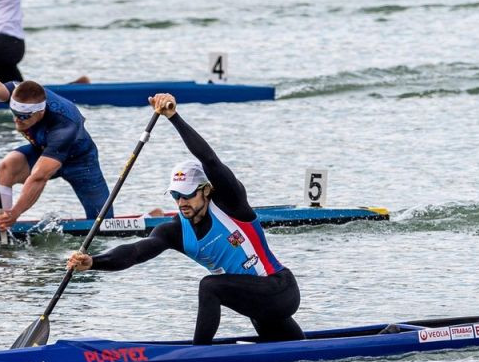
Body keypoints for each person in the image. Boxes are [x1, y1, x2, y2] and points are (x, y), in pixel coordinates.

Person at [66, 93, 304, 346]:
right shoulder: (175, 231)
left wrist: (173, 117)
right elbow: (134, 252)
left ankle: (199, 353)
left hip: (279, 289)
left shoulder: (232, 205)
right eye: (176, 196)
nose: (181, 203)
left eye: (188, 195)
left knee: (210, 286)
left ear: (206, 190)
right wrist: (94, 262)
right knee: (297, 354)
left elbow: (210, 160)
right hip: (254, 302)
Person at [0, 45, 113, 227]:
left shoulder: (64, 127)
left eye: (24, 116)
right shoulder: (20, 91)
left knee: (103, 225)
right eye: (15, 113)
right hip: (43, 149)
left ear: (40, 112)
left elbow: (39, 177)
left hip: (80, 162)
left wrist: (15, 213)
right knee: (6, 167)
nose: (18, 120)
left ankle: (152, 215)